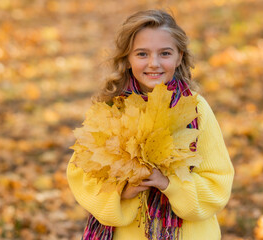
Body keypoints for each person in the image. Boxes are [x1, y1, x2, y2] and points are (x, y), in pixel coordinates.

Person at [67, 9, 234, 240]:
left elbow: (218, 182)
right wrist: (122, 192)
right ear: (127, 58)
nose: (153, 64)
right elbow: (81, 173)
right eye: (142, 54)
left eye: (165, 53)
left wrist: (168, 184)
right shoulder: (110, 109)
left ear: (179, 57)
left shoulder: (196, 110)